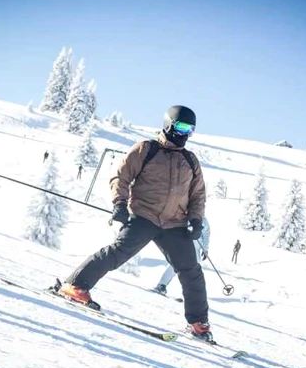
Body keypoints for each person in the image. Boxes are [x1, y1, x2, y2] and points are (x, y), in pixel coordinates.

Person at [58, 105, 214, 341]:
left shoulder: (190, 160)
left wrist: (195, 219)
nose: (185, 133)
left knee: (191, 270)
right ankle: (75, 286)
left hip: (175, 223)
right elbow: (121, 176)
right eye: (181, 127)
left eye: (190, 130)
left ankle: (199, 323)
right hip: (144, 215)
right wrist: (119, 204)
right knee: (118, 252)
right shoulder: (146, 149)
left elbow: (198, 194)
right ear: (169, 124)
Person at [154, 217, 210, 295]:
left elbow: (206, 236)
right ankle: (162, 285)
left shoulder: (204, 221)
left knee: (192, 271)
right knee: (175, 265)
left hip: (196, 251)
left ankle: (191, 293)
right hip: (184, 246)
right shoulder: (185, 217)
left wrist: (205, 249)